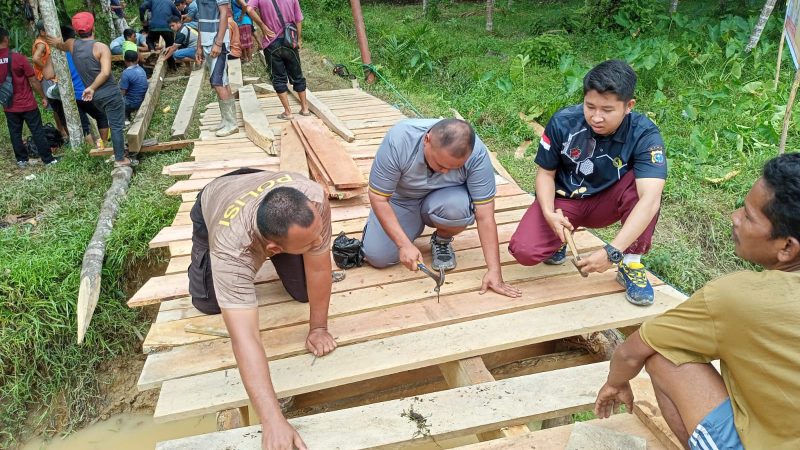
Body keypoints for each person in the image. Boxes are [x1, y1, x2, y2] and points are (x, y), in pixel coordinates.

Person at [594, 153, 800, 450]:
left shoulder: (738, 298)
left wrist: (615, 383)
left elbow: (633, 350)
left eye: (748, 215)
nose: (735, 217)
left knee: (662, 355)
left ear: (787, 247)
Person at [188, 169, 336, 449]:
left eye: (317, 234)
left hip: (262, 189)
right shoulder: (230, 249)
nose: (320, 243)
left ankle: (288, 251)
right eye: (309, 243)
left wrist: (318, 328)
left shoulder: (314, 198)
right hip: (217, 201)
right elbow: (245, 337)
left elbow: (318, 265)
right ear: (273, 248)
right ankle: (207, 261)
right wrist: (272, 419)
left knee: (304, 293)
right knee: (208, 303)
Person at [508, 60, 666, 306]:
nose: (596, 117)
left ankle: (631, 263)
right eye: (590, 106)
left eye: (607, 109)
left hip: (608, 203)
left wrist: (612, 252)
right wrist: (549, 213)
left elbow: (650, 200)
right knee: (524, 251)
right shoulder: (563, 122)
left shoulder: (644, 134)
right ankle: (559, 238)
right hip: (566, 201)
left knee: (646, 188)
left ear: (628, 106)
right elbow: (545, 174)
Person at [362, 118, 522, 298]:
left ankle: (441, 239)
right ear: (427, 140)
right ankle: (392, 227)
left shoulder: (477, 154)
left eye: (454, 168)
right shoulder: (400, 139)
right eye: (440, 164)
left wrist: (495, 271)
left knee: (458, 208)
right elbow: (378, 197)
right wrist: (404, 245)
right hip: (402, 200)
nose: (445, 172)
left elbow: (484, 215)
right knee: (378, 256)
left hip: (445, 199)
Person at [48, 12, 134, 167]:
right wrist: (92, 88)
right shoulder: (101, 47)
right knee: (116, 126)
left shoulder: (72, 44)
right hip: (109, 93)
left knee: (111, 122)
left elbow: (60, 45)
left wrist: (54, 41)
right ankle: (120, 159)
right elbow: (106, 72)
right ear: (93, 27)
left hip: (97, 98)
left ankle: (119, 149)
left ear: (76, 30)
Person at [0, 27, 58, 168]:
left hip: (8, 104)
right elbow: (33, 81)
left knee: (15, 132)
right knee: (37, 130)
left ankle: (22, 160)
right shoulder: (18, 58)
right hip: (27, 103)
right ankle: (48, 160)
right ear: (6, 39)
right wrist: (43, 96)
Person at [246, 0, 310, 119]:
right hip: (290, 41)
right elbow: (298, 19)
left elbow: (249, 9)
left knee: (278, 78)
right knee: (297, 75)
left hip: (271, 43)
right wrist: (298, 39)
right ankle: (305, 108)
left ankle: (288, 112)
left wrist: (263, 26)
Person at [195, 0, 238, 137]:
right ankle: (226, 120)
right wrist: (199, 46)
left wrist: (218, 43)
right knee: (223, 82)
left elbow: (224, 14)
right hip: (207, 41)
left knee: (218, 82)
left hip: (217, 42)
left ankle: (232, 124)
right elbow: (201, 21)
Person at [30, 20, 67, 140]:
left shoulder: (44, 42)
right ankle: (62, 132)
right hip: (46, 78)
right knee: (56, 106)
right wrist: (46, 69)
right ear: (42, 32)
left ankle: (63, 131)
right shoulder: (40, 43)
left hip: (47, 77)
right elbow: (35, 58)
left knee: (57, 105)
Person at [139, 0, 181, 69]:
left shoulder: (152, 1)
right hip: (167, 27)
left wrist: (143, 20)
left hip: (154, 27)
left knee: (149, 40)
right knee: (170, 47)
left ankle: (152, 50)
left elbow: (142, 7)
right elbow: (178, 14)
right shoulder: (170, 2)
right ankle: (172, 67)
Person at [119, 50, 148, 120]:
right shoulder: (141, 69)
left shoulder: (126, 73)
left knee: (117, 100)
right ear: (137, 59)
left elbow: (122, 93)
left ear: (125, 60)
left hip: (133, 103)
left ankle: (125, 119)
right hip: (142, 98)